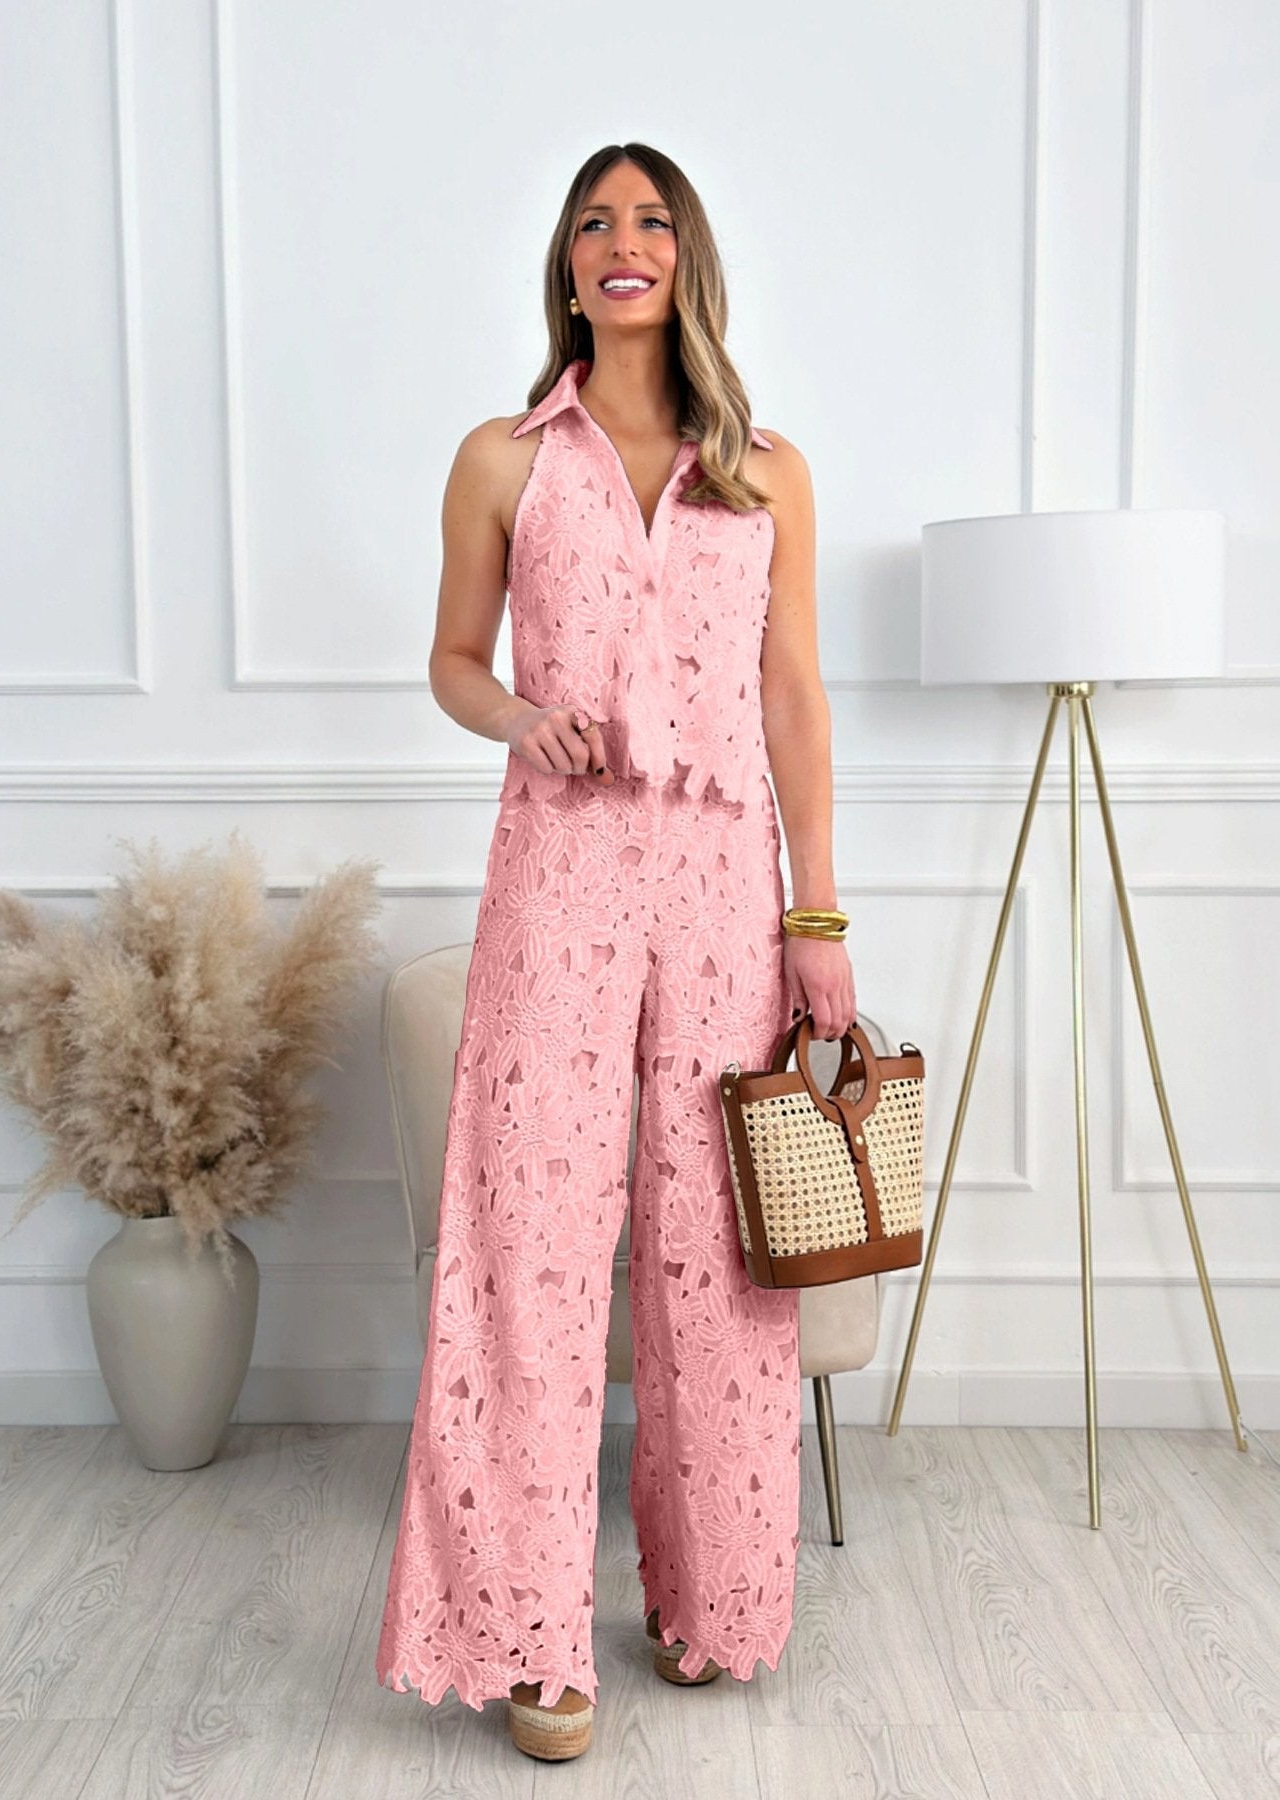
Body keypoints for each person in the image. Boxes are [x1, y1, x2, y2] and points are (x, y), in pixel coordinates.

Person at [375, 141, 854, 1762]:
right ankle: (528, 1635)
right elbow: (453, 659)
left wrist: (816, 920)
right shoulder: (502, 459)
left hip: (723, 890)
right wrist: (521, 715)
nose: (622, 240)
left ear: (685, 258)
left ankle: (711, 1601)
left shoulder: (764, 470)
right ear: (568, 266)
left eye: (651, 219)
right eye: (595, 220)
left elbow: (793, 699)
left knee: (715, 1252)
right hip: (557, 882)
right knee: (528, 1247)